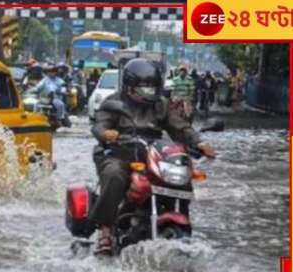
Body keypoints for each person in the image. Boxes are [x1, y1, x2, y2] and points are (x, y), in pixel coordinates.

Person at [89, 58, 215, 255]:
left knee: (181, 174)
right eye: (145, 88)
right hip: (119, 152)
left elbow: (180, 128)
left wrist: (199, 143)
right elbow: (99, 125)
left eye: (153, 88)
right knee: (114, 174)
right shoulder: (113, 102)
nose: (150, 93)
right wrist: (106, 134)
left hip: (152, 153)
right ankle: (105, 229)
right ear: (130, 87)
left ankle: (181, 217)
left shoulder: (161, 105)